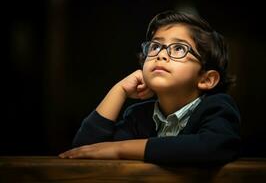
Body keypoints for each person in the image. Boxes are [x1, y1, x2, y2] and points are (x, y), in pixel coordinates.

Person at [59, 10, 241, 165]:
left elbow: (211, 147)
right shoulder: (138, 116)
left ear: (206, 79)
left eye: (179, 48)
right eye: (155, 46)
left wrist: (120, 149)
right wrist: (119, 90)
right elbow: (83, 152)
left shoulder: (217, 107)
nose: (161, 54)